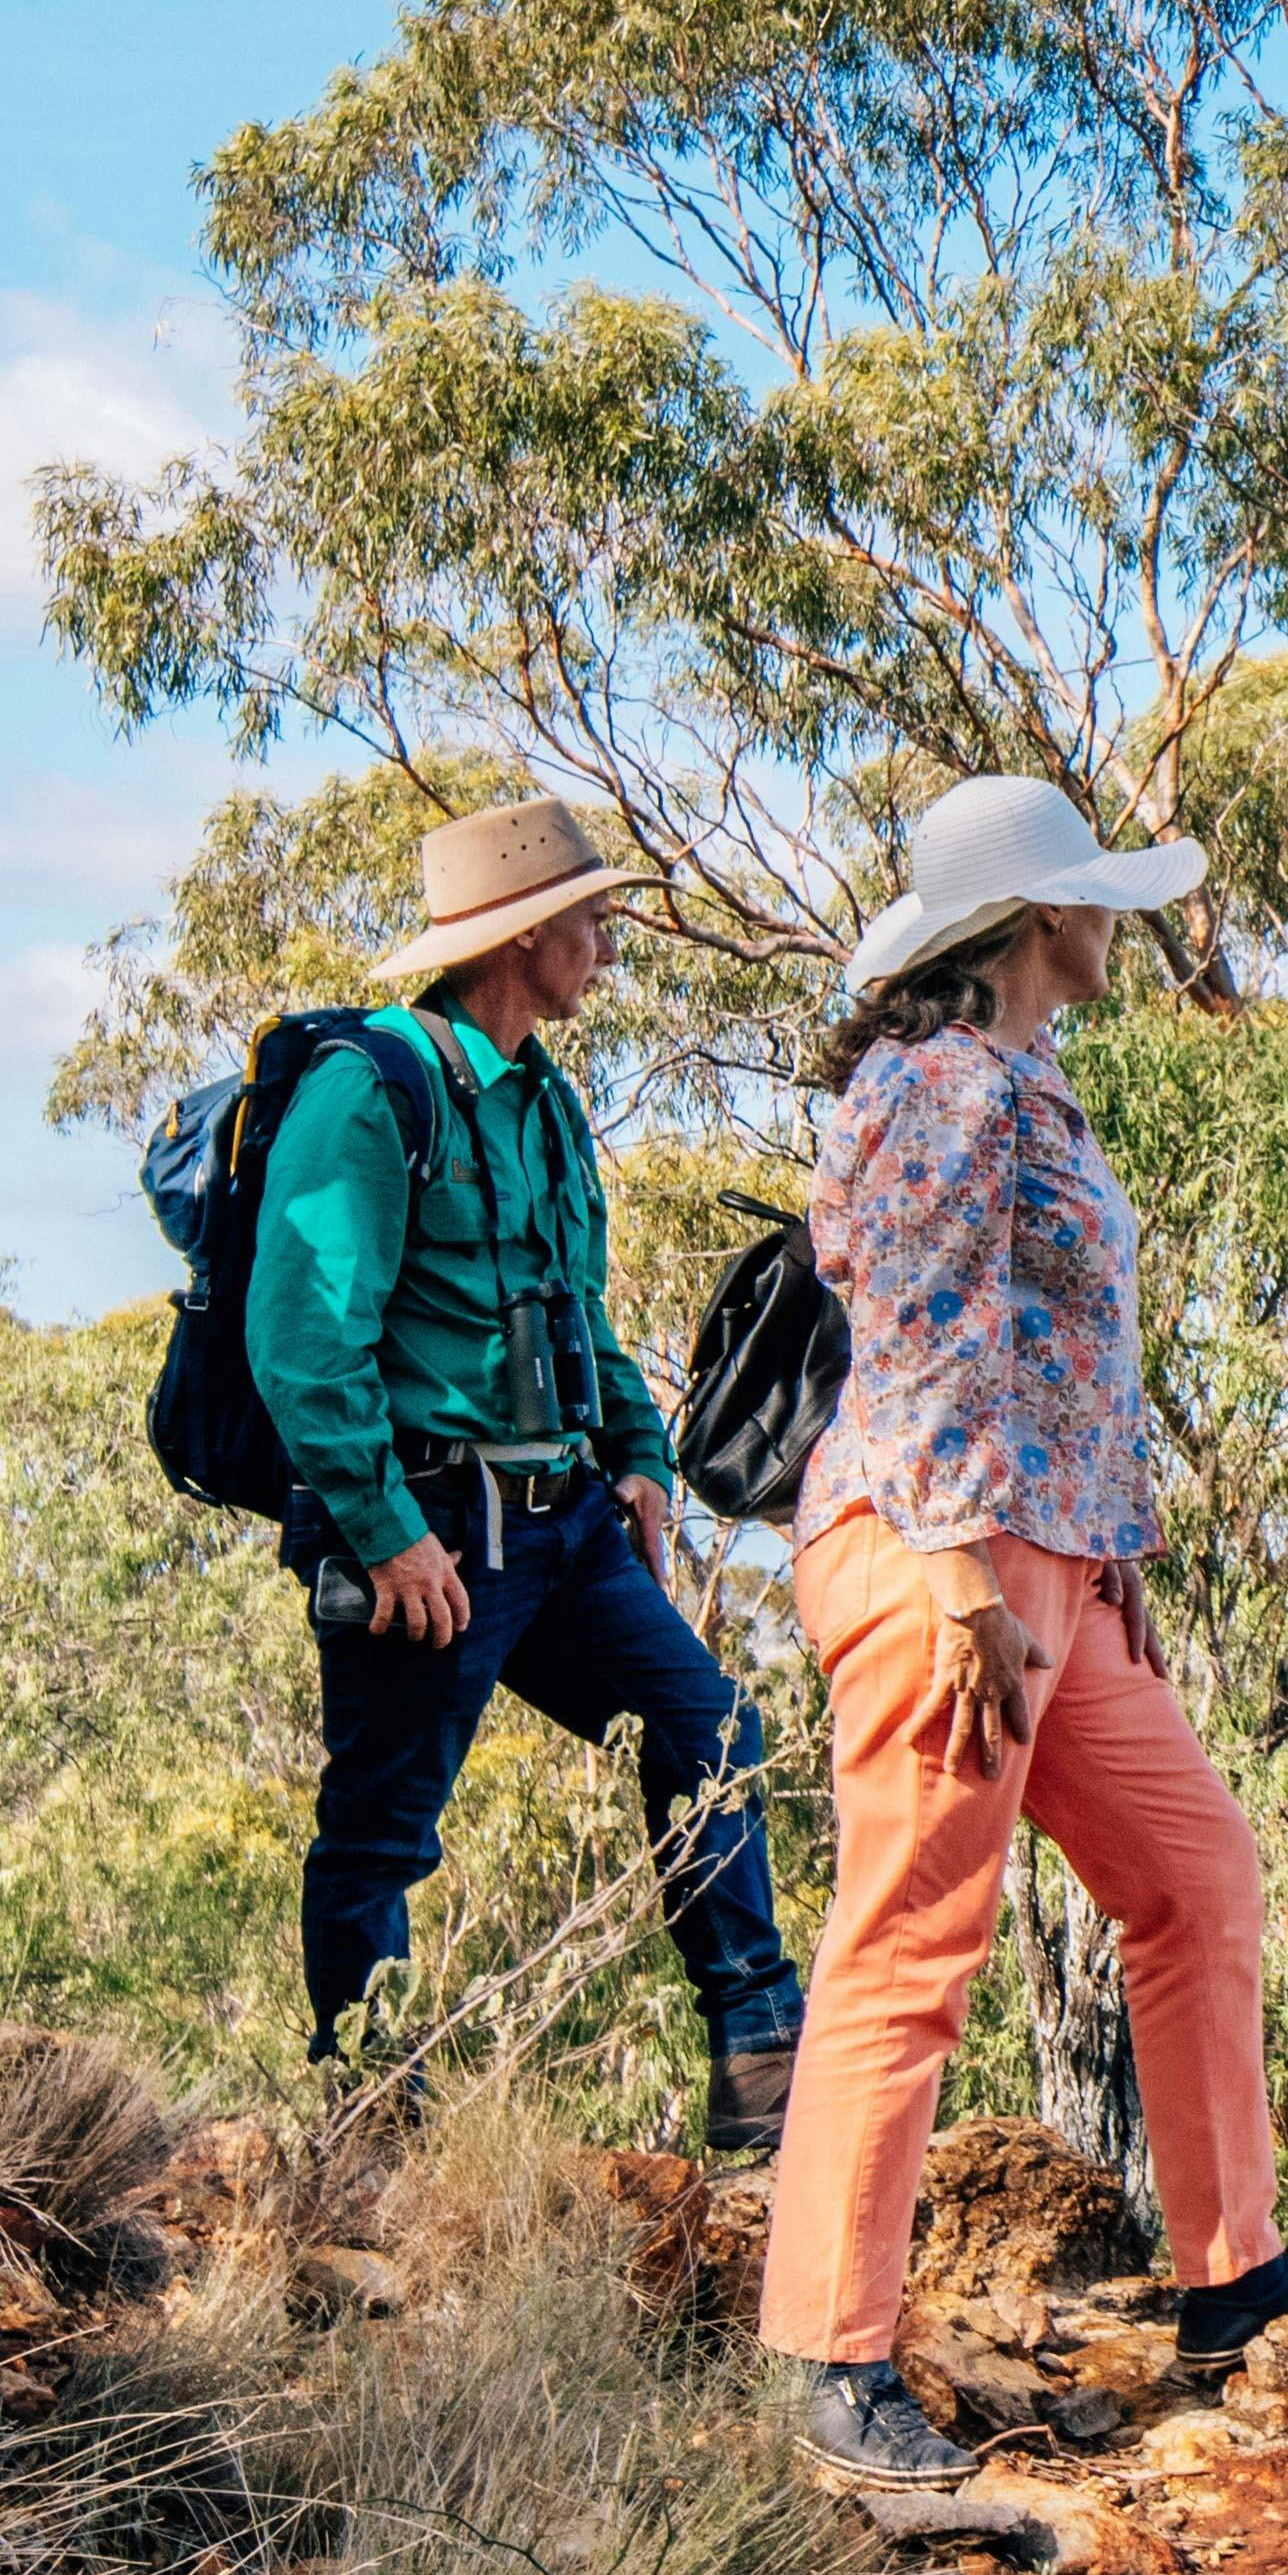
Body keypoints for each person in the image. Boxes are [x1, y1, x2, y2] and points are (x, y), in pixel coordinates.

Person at [759, 772, 1288, 2486]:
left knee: (1195, 1874)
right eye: (1101, 894)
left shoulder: (1028, 1079)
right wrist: (968, 1575)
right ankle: (825, 2349)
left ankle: (1233, 2274)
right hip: (940, 1565)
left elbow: (1062, 1369)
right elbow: (916, 1335)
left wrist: (1111, 1573)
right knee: (909, 1944)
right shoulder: (939, 1085)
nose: (1122, 918)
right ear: (1043, 918)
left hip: (1057, 1571)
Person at [251, 791, 809, 2151]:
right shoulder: (367, 1091)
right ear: (519, 933)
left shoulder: (548, 1104)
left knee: (712, 1725)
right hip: (427, 1532)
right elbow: (301, 1334)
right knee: (380, 1832)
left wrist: (638, 1458)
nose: (610, 939)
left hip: (564, 1530)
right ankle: (370, 2125)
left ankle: (761, 2066)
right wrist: (385, 1532)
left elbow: (581, 1310)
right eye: (592, 913)